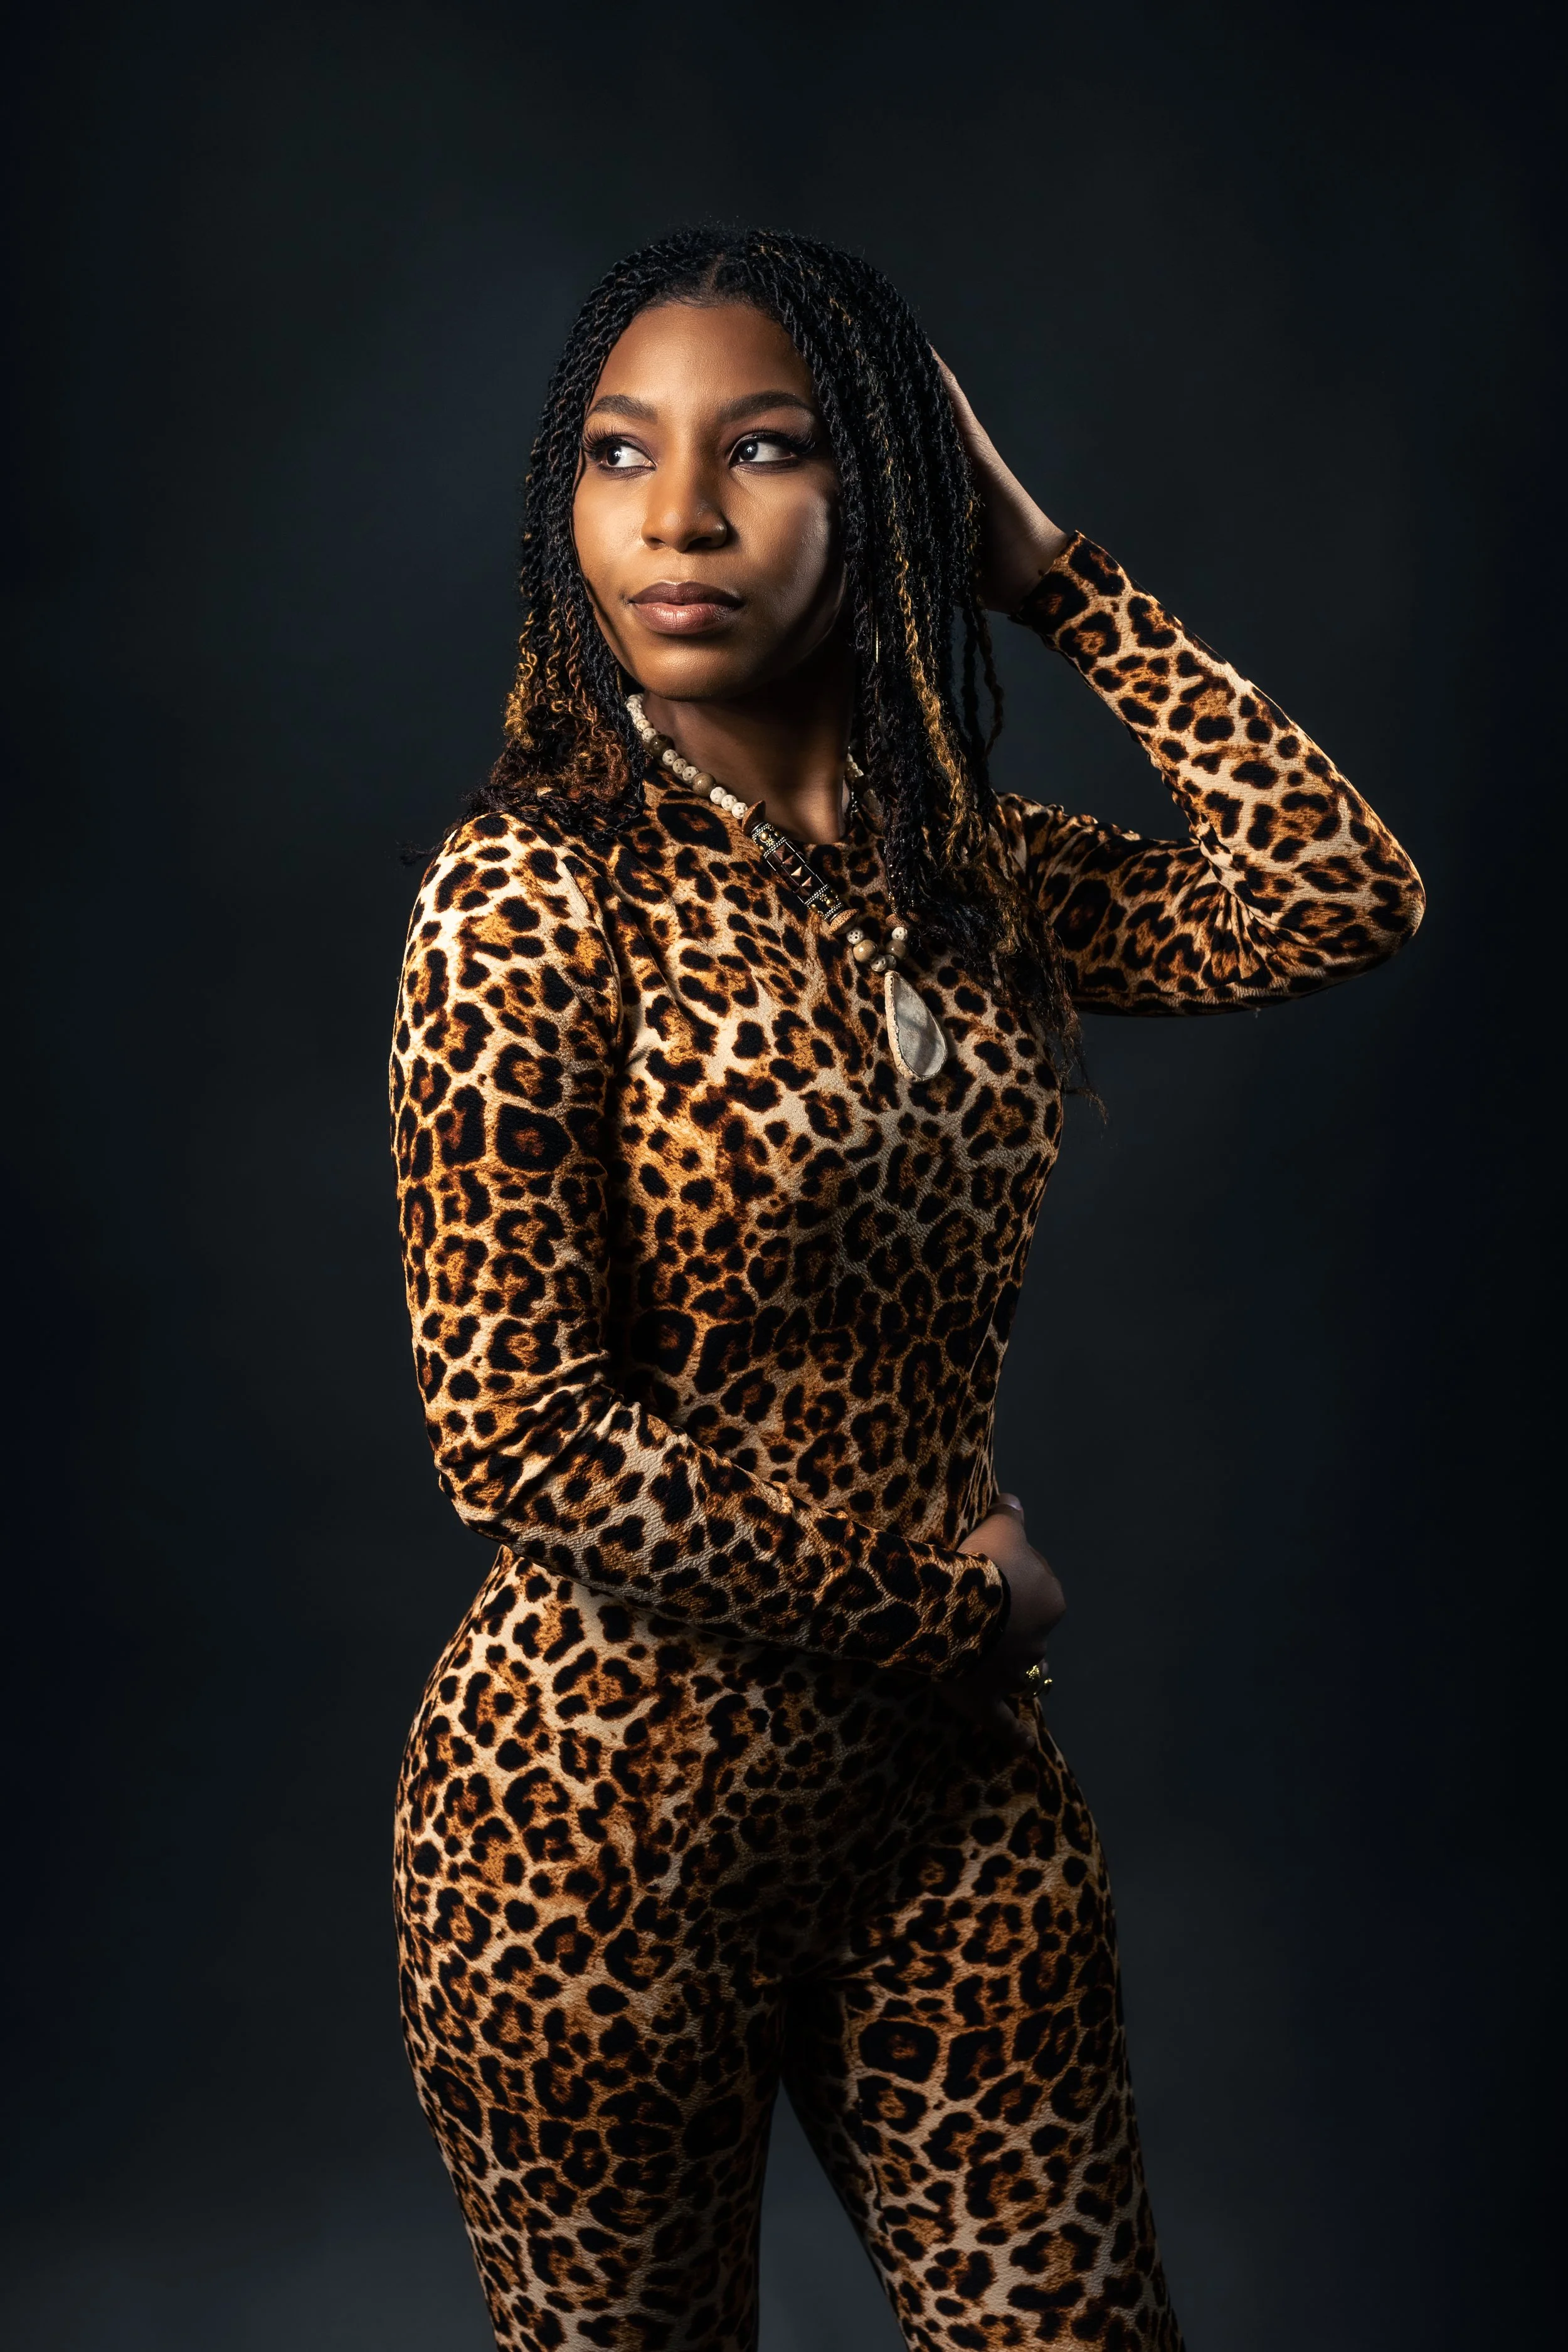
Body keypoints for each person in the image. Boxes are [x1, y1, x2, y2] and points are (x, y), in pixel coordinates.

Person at [389, 226, 1422, 2352]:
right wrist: (938, 1610)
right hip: (592, 1834)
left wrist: (1047, 571)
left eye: (761, 451)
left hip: (945, 1806)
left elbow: (1338, 886)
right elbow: (515, 1429)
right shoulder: (528, 894)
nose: (675, 519)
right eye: (615, 454)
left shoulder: (981, 884)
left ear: (881, 487)